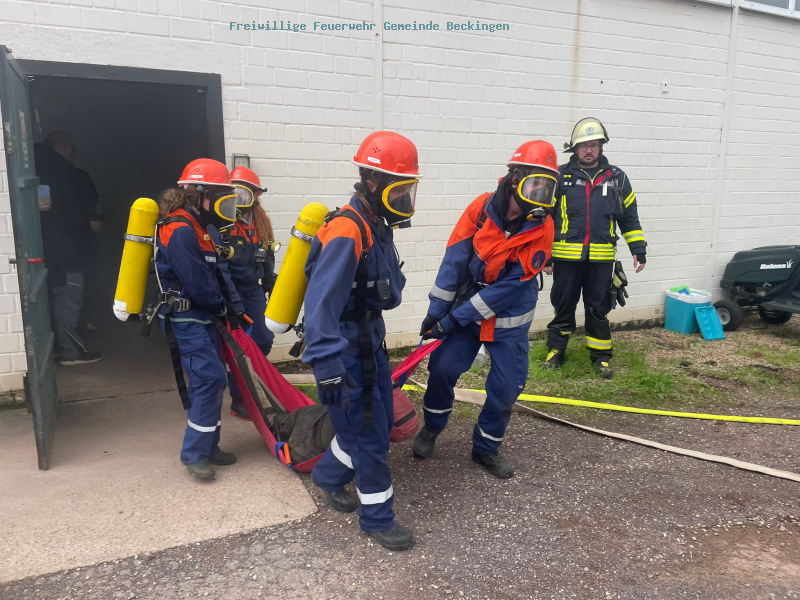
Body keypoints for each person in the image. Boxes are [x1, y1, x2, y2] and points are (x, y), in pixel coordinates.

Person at [303, 131, 420, 551]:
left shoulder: (377, 225)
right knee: (370, 437)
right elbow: (319, 308)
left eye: (409, 189)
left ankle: (328, 475)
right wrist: (329, 368)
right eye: (400, 189)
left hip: (371, 343)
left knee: (374, 424)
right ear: (373, 182)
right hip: (348, 352)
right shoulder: (347, 230)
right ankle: (377, 518)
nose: (406, 198)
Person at [412, 140, 557, 480]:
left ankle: (486, 448)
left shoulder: (543, 228)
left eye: (547, 188)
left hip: (507, 320)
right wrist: (436, 313)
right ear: (514, 177)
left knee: (507, 386)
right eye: (534, 184)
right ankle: (432, 429)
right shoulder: (480, 209)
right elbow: (455, 260)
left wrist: (452, 319)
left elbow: (507, 290)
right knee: (443, 370)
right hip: (466, 312)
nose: (539, 196)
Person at [541, 118, 647, 379]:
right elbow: (547, 219)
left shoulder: (618, 178)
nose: (589, 150)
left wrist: (638, 248)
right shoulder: (559, 177)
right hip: (565, 257)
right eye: (584, 145)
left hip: (601, 259)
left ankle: (601, 357)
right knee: (563, 305)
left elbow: (629, 216)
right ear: (574, 148)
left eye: (594, 145)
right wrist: (546, 255)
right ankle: (556, 350)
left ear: (601, 147)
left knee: (598, 308)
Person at [154, 158, 240, 480]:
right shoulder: (179, 229)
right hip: (187, 318)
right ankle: (194, 453)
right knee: (209, 380)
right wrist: (220, 307)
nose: (225, 206)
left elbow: (213, 275)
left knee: (213, 380)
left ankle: (209, 446)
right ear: (200, 194)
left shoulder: (200, 228)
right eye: (221, 196)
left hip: (201, 316)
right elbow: (198, 281)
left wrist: (226, 307)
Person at [208, 166, 278, 420]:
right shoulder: (223, 224)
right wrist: (233, 303)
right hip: (230, 290)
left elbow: (267, 257)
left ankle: (253, 384)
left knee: (263, 339)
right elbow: (221, 267)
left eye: (245, 194)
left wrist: (272, 287)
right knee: (236, 344)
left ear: (255, 196)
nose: (240, 200)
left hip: (253, 290)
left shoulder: (261, 223)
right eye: (235, 193)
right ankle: (240, 398)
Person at [34, 129, 102, 366]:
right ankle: (71, 352)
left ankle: (60, 347)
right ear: (64, 147)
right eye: (72, 149)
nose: (73, 154)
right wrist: (88, 224)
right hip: (67, 251)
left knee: (58, 299)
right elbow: (72, 213)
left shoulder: (37, 166)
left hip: (49, 250)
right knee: (69, 299)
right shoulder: (61, 171)